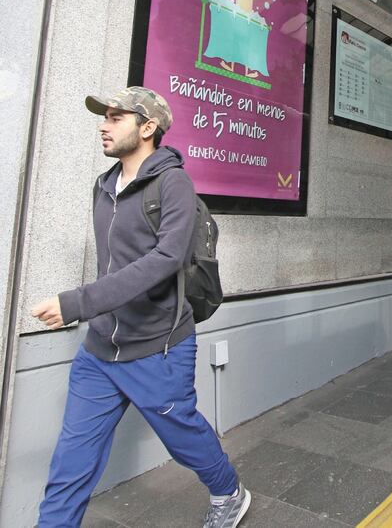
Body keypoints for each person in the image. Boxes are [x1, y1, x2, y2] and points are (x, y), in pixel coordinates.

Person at [31, 87, 250, 528]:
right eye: (104, 117)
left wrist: (78, 303)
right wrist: (95, 315)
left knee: (184, 437)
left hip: (158, 348)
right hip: (99, 353)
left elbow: (165, 260)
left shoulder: (174, 184)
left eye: (116, 117)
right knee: (71, 464)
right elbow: (115, 261)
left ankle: (228, 492)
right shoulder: (106, 184)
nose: (103, 125)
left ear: (148, 128)